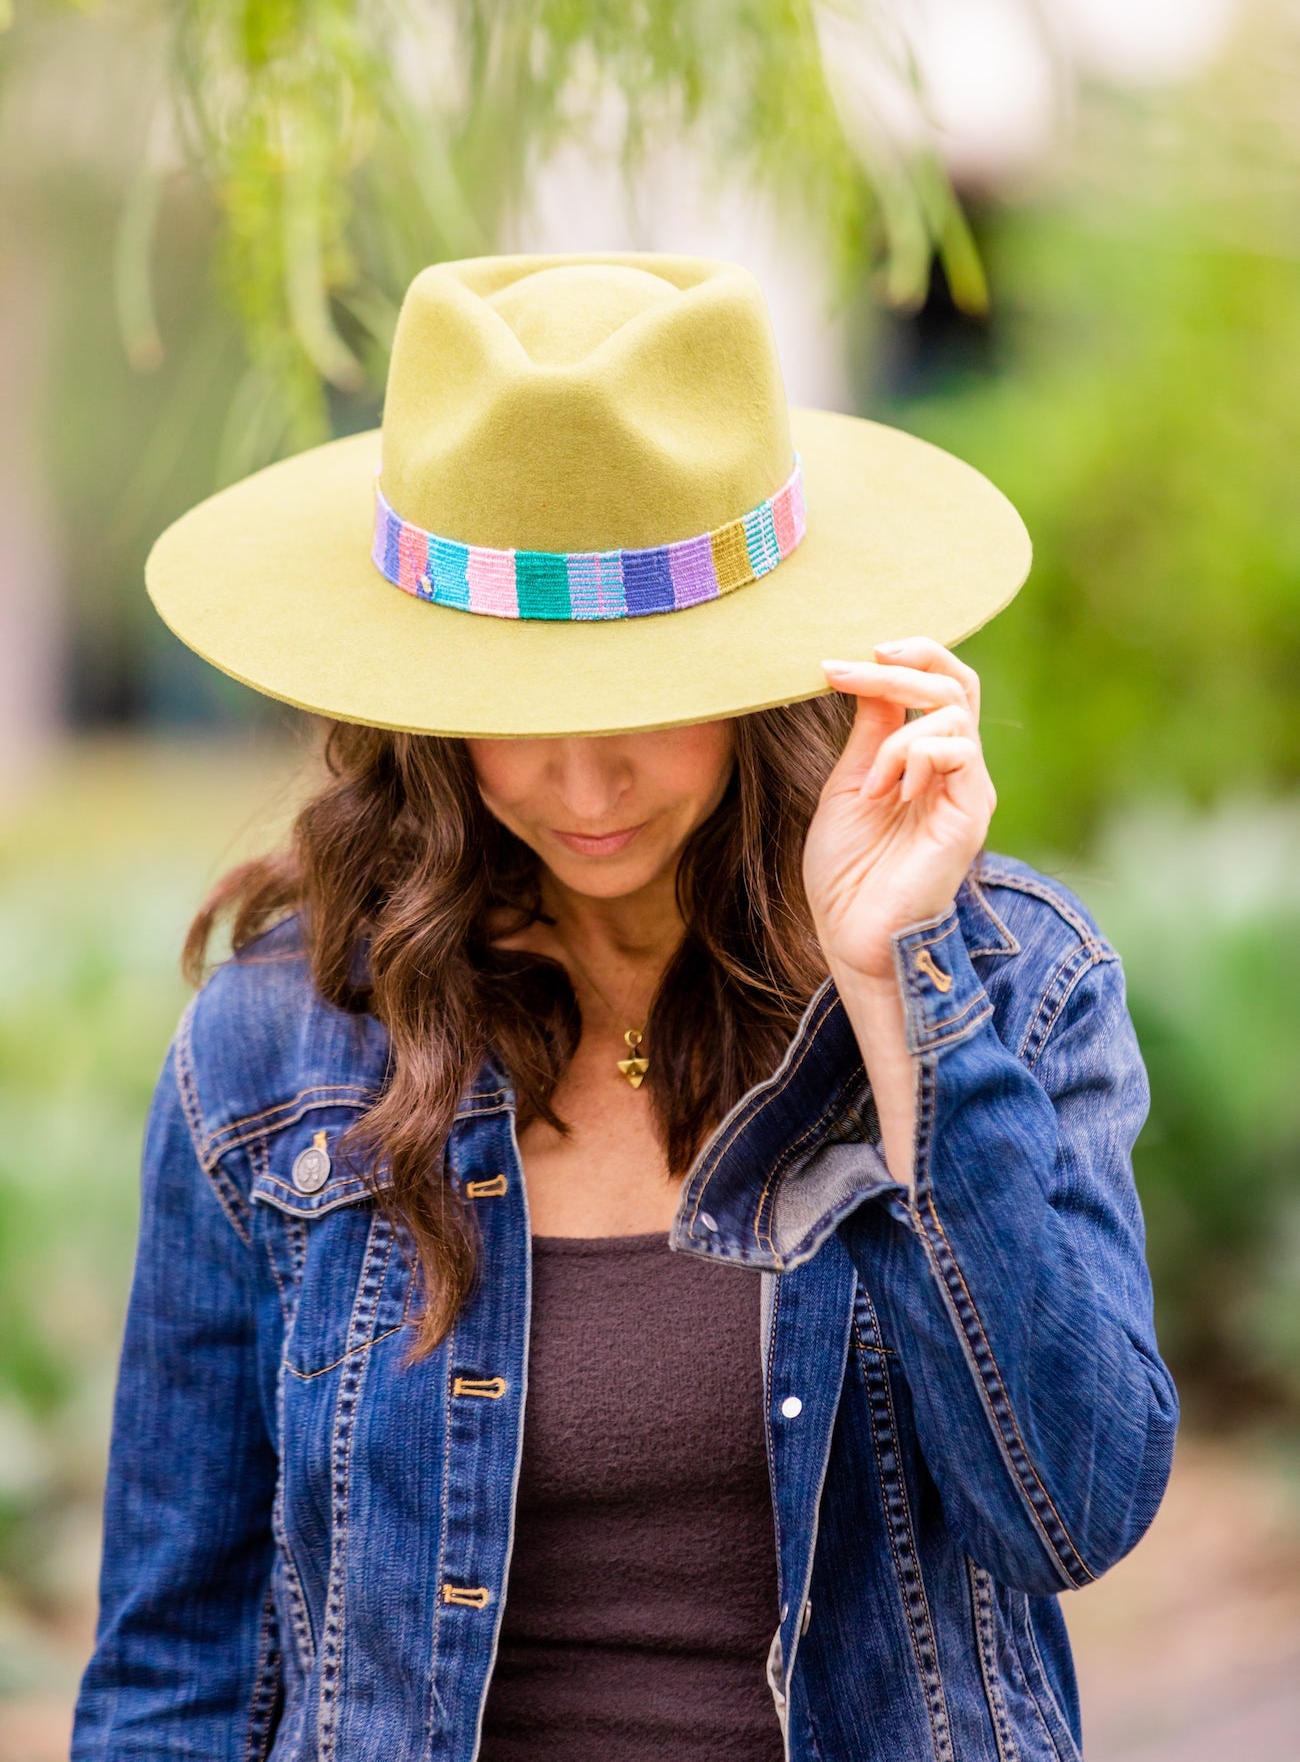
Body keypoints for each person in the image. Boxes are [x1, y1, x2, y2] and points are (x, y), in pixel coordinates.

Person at [72, 253, 1177, 1762]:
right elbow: (173, 1656)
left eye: (652, 701)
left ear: (778, 674)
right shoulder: (277, 1051)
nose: (583, 788)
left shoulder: (1009, 983)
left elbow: (1072, 1507)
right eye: (515, 719)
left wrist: (896, 991)